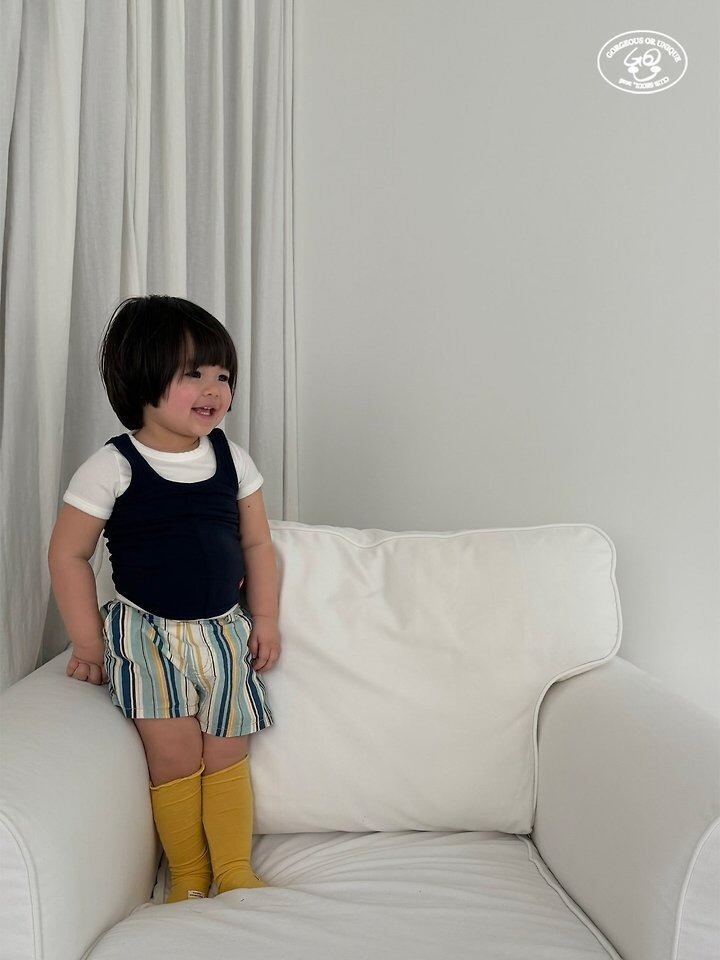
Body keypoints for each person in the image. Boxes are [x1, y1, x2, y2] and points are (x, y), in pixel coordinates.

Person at [47, 294, 280, 902]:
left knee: (228, 748)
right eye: (193, 374)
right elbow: (68, 555)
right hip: (146, 634)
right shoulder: (113, 465)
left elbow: (257, 544)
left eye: (222, 375)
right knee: (174, 755)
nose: (213, 389)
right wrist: (88, 644)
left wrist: (266, 618)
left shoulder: (232, 458)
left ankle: (234, 869)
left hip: (223, 631)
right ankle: (189, 876)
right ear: (144, 379)